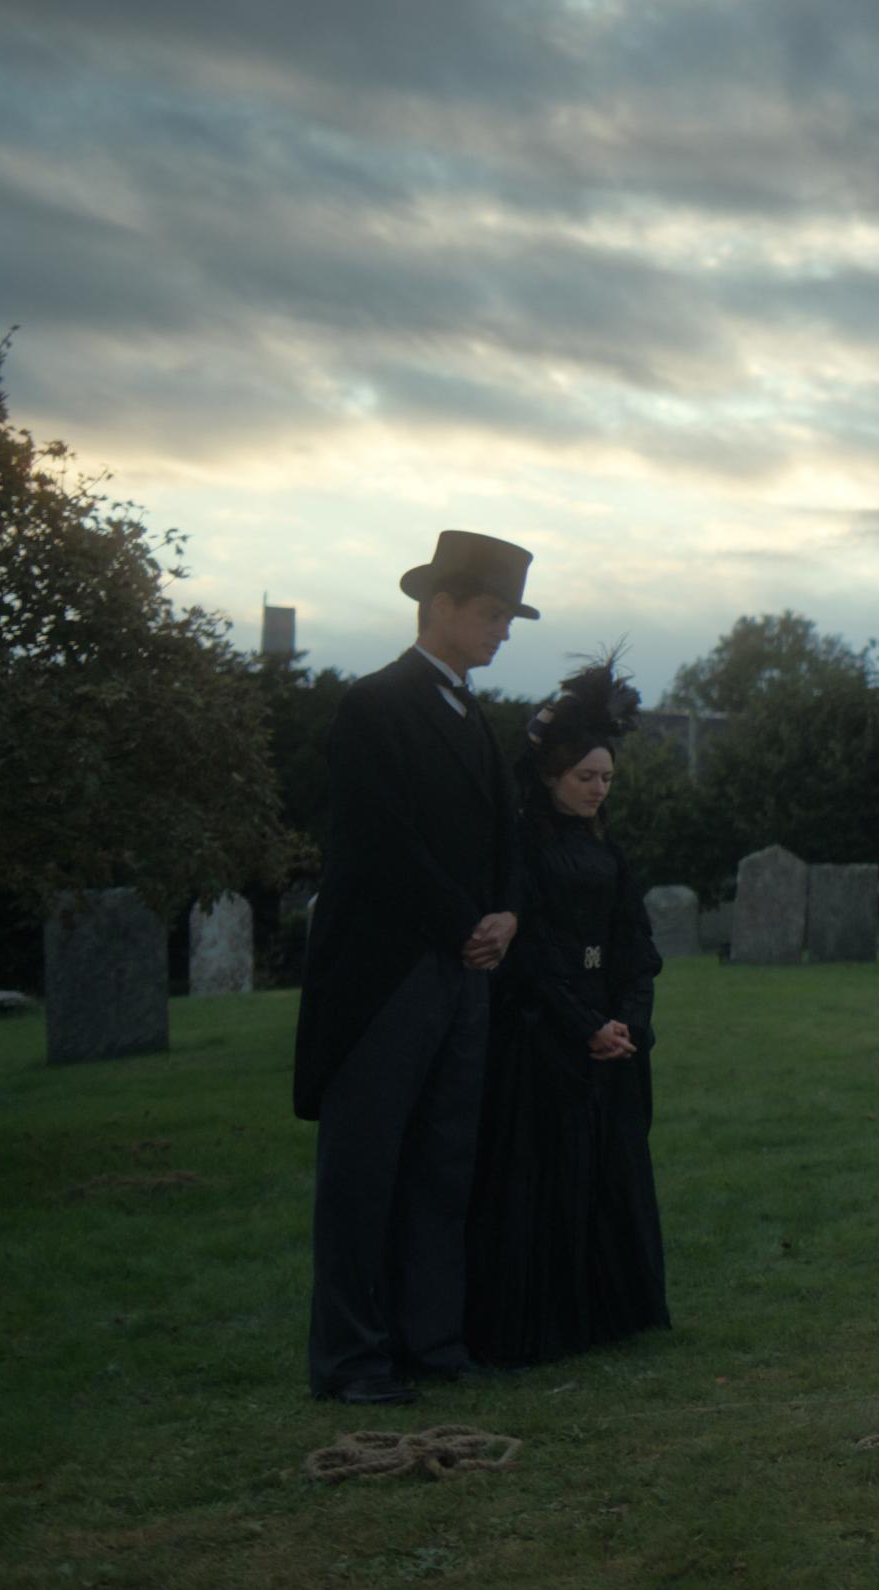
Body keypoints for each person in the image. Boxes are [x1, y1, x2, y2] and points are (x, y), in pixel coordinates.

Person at [294, 530, 535, 1405]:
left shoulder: (472, 714)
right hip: (386, 974)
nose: (501, 632)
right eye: (491, 614)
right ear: (439, 607)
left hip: (463, 972)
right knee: (365, 1168)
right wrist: (466, 922)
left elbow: (506, 836)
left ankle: (429, 1340)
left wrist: (508, 912)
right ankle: (353, 1358)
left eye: (507, 618)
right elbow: (378, 843)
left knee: (441, 1160)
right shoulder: (375, 705)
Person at [464, 658, 670, 1366]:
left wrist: (627, 1022)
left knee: (609, 1168)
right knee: (545, 1175)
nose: (598, 789)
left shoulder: (607, 851)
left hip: (609, 1030)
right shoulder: (523, 848)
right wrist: (584, 1026)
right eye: (587, 777)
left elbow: (635, 946)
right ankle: (546, 1323)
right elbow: (530, 953)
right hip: (541, 1035)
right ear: (553, 775)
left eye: (607, 778)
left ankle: (611, 1315)